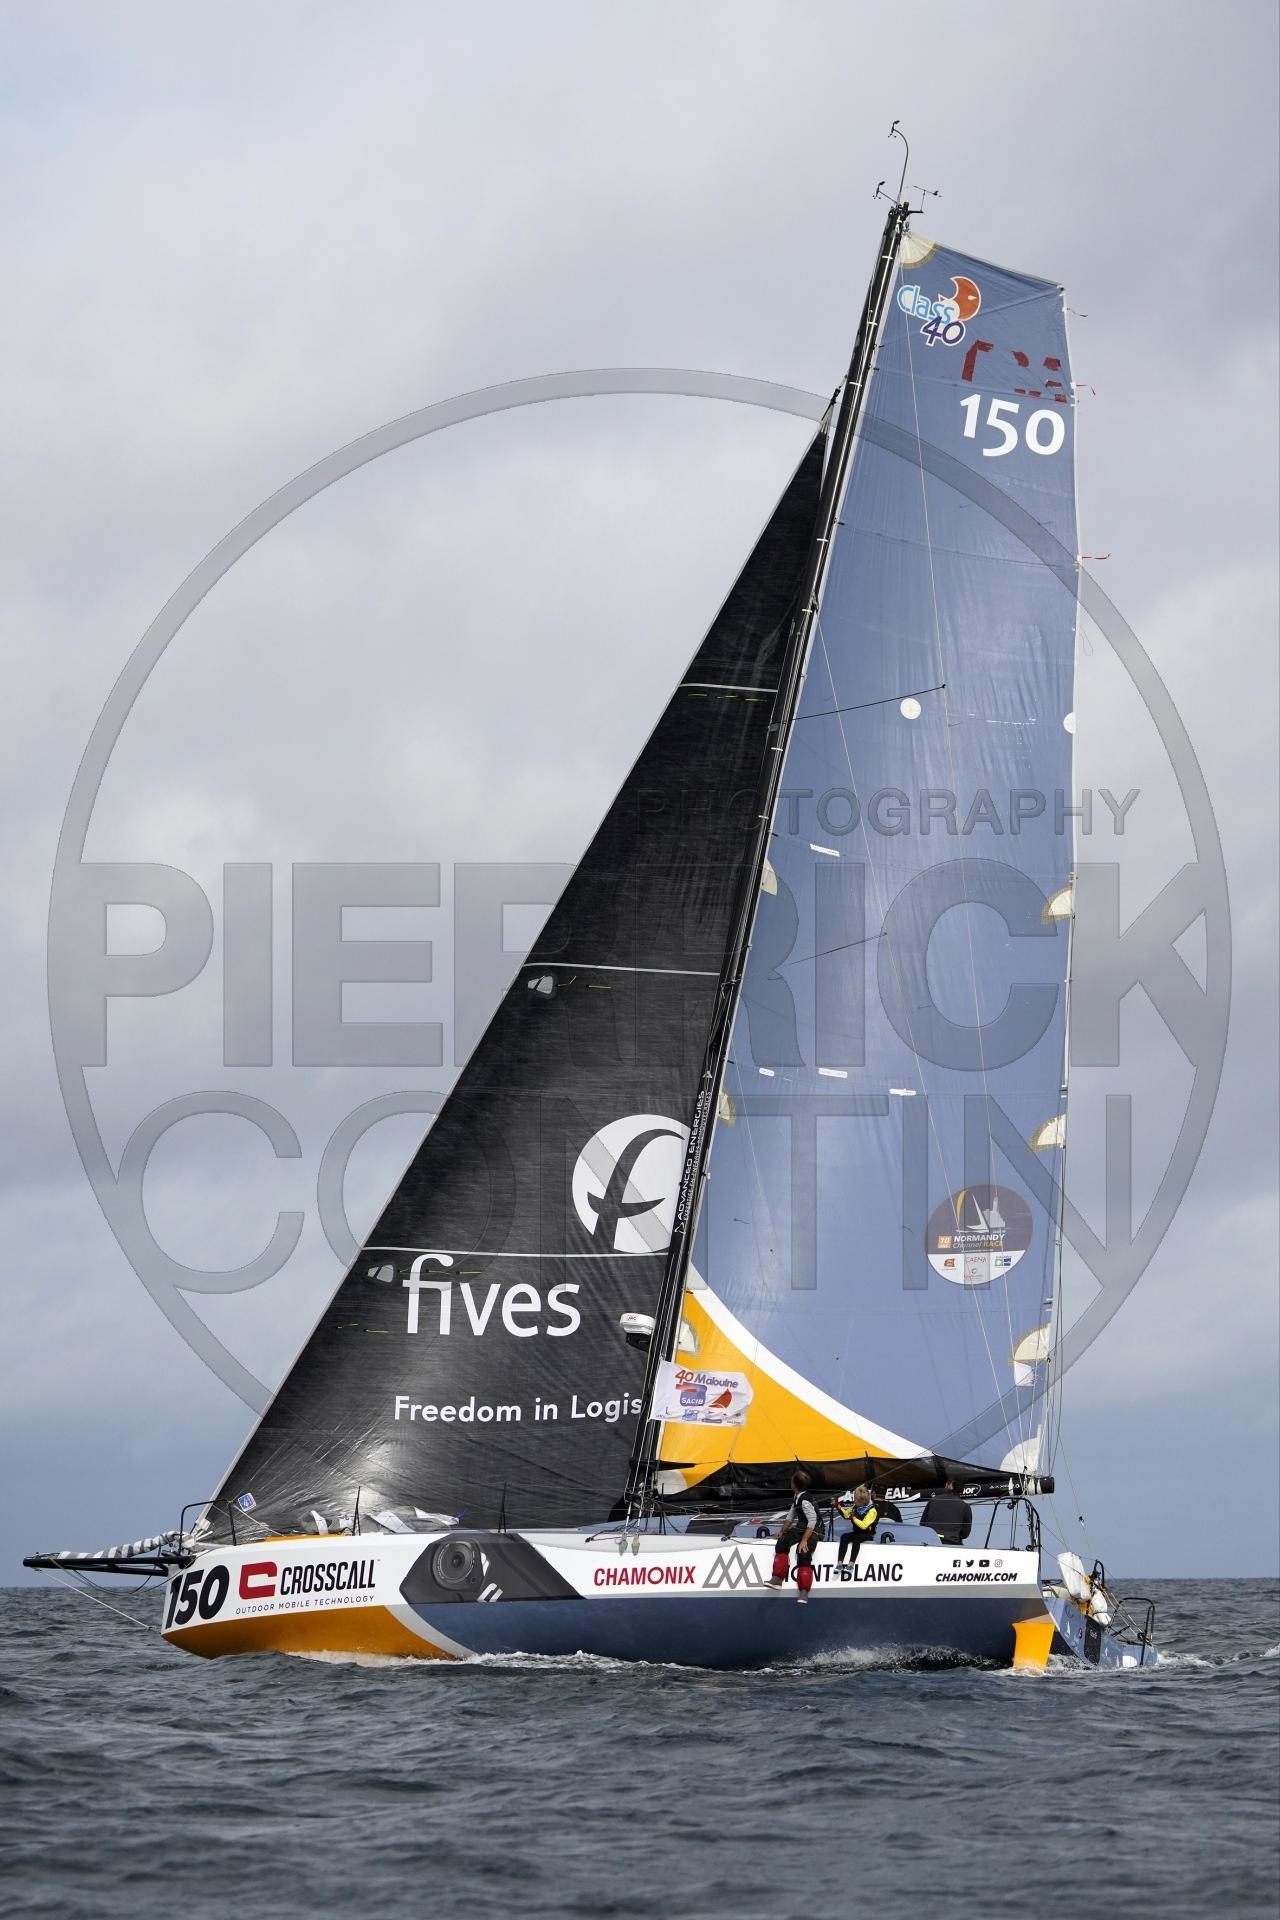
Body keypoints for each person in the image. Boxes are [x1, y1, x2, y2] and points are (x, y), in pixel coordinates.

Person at [768, 1469, 820, 1602]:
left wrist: (804, 1540)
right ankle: (777, 1579)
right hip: (802, 1527)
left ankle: (804, 1591)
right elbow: (790, 1516)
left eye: (791, 1480)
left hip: (814, 1529)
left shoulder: (805, 1501)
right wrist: (782, 1532)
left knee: (803, 1552)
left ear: (795, 1485)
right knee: (782, 1542)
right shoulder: (796, 1496)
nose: (790, 1482)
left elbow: (812, 1520)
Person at [920, 1477, 973, 1545]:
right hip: (952, 1543)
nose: (945, 1487)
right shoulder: (965, 1506)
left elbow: (922, 1523)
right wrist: (952, 1535)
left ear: (950, 1485)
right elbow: (965, 1534)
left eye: (946, 1484)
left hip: (929, 1541)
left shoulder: (933, 1500)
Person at [836, 1485, 878, 1564]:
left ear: (863, 1501)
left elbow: (864, 1525)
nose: (854, 1501)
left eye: (856, 1500)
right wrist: (838, 1506)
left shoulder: (872, 1510)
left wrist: (854, 1518)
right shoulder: (855, 1507)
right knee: (844, 1536)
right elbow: (846, 1515)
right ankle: (840, 1562)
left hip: (867, 1534)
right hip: (857, 1532)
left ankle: (851, 1563)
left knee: (857, 1538)